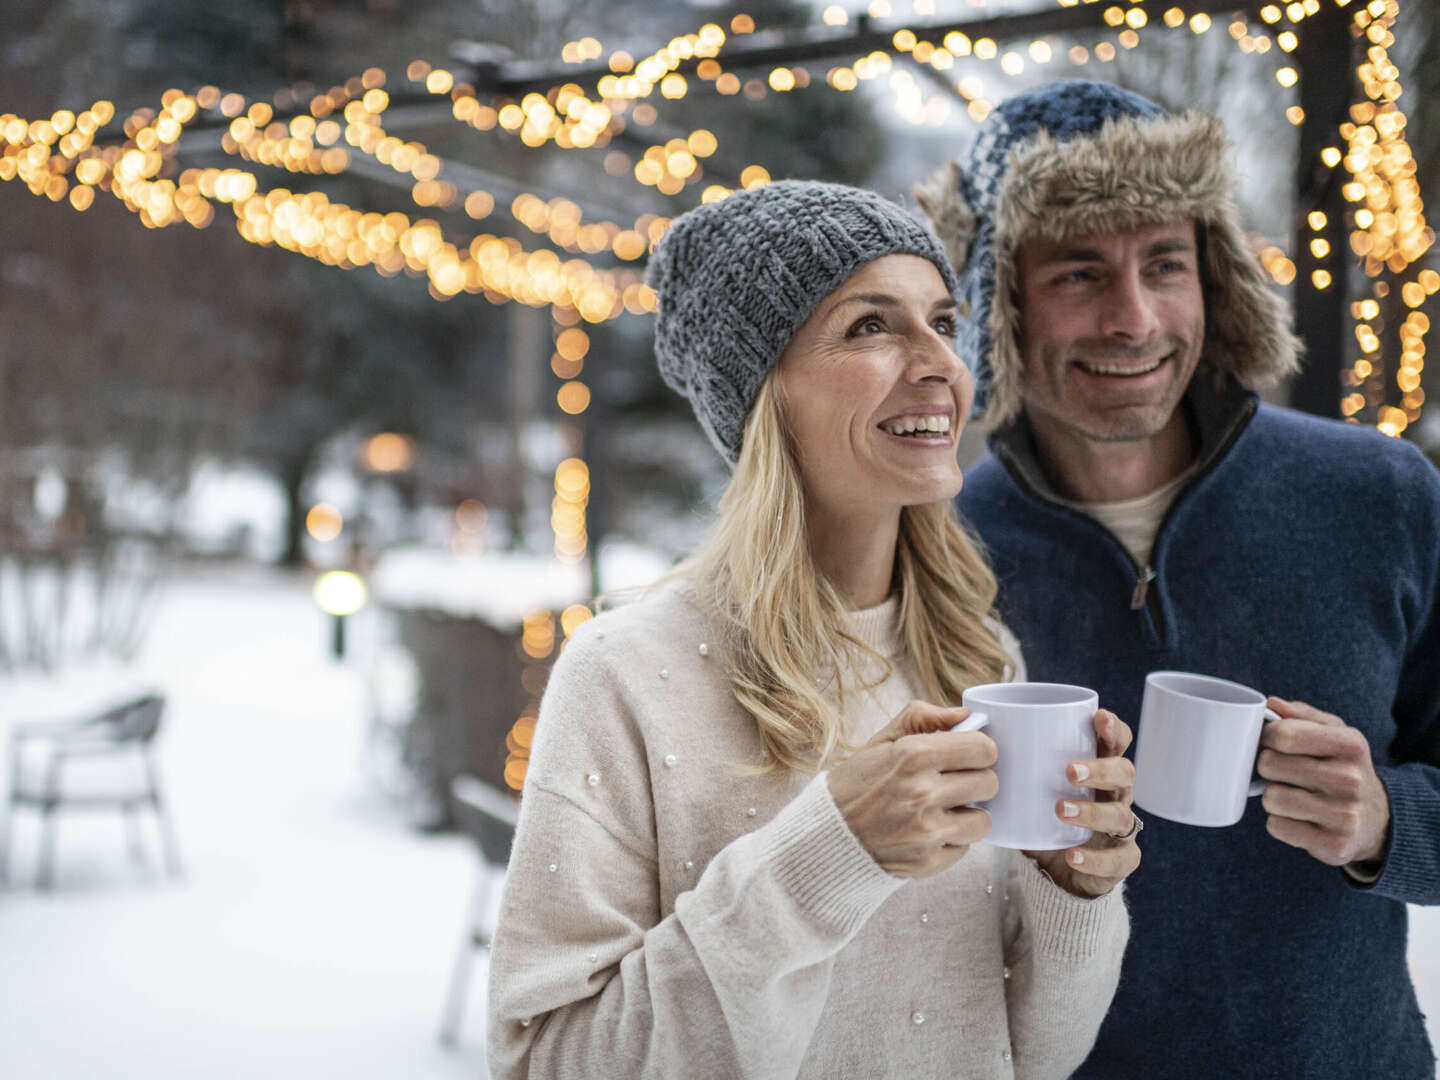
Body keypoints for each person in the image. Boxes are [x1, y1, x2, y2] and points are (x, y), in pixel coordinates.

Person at [485, 180, 1142, 1079]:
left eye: (942, 323)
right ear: (767, 394)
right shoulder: (624, 673)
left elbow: (1034, 1056)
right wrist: (828, 856)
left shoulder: (977, 657)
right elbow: (548, 1060)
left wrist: (1072, 894)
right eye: (871, 326)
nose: (939, 364)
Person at [916, 79, 1440, 1077]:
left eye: (1166, 263)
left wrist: (1385, 822)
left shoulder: (1381, 495)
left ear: (1216, 279)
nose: (1135, 318)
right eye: (1079, 273)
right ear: (1000, 302)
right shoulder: (937, 550)